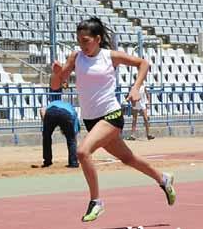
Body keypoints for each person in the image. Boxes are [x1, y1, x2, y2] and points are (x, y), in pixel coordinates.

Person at [51, 17, 175, 222]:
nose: (82, 45)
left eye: (86, 40)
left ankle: (96, 202)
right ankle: (163, 179)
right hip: (91, 120)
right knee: (128, 158)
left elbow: (143, 63)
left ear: (97, 39)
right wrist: (56, 73)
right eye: (79, 40)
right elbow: (56, 85)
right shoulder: (75, 57)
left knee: (82, 152)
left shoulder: (110, 56)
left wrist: (135, 88)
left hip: (111, 115)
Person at [39, 73, 79, 168]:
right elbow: (75, 135)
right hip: (66, 114)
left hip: (51, 112)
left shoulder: (52, 104)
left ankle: (47, 161)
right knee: (71, 139)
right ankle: (73, 162)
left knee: (46, 137)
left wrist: (46, 126)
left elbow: (42, 110)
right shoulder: (73, 113)